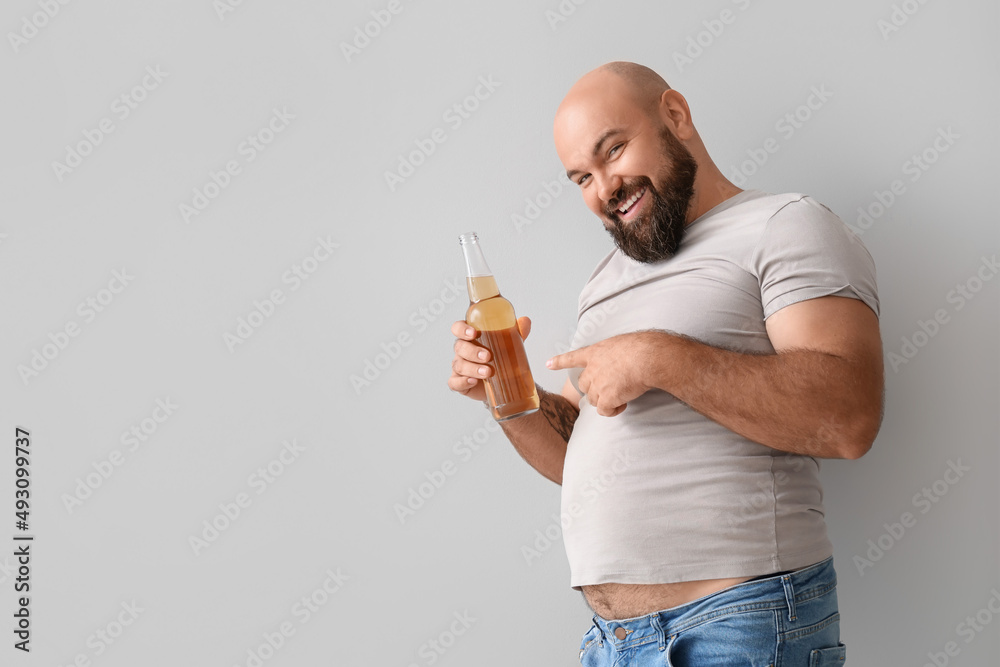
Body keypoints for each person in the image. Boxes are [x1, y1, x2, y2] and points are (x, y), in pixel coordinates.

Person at [448, 61, 883, 666]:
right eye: (581, 178)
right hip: (616, 644)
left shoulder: (785, 225)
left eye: (615, 151)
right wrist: (509, 398)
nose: (604, 188)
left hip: (740, 627)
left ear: (675, 116)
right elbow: (575, 457)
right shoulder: (603, 284)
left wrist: (659, 357)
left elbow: (848, 417)